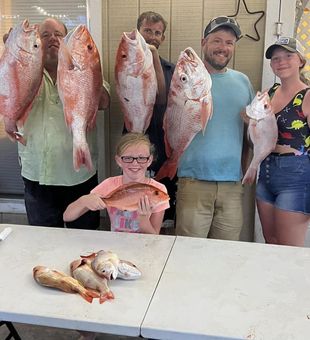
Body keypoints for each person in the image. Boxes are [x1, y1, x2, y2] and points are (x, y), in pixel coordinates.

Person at [3, 18, 110, 229]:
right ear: (37, 42)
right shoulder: (22, 66)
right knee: (44, 237)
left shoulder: (84, 66)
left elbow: (104, 102)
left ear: (66, 41)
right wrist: (12, 58)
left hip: (79, 174)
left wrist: (88, 73)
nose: (52, 38)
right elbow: (5, 92)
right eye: (45, 35)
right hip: (37, 173)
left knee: (84, 237)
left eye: (58, 35)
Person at [175, 16, 254, 240]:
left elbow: (249, 136)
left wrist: (253, 127)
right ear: (204, 42)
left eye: (229, 43)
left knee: (226, 254)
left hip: (231, 183)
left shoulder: (243, 82)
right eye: (217, 41)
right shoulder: (185, 79)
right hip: (193, 181)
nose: (223, 48)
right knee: (189, 251)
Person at [256, 37, 310, 247]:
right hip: (266, 174)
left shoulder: (307, 96)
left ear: (301, 61)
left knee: (289, 250)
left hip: (296, 179)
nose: (281, 61)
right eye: (276, 58)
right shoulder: (268, 94)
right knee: (271, 242)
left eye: (288, 56)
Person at [125, 11, 177, 228]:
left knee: (161, 208)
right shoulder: (127, 60)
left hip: (162, 148)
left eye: (158, 33)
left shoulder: (171, 69)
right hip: (133, 149)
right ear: (138, 32)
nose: (153, 36)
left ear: (163, 38)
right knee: (131, 202)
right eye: (148, 31)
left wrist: (153, 57)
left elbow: (162, 98)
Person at [63, 132, 169, 234]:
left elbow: (154, 236)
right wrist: (83, 201)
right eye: (127, 158)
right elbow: (67, 216)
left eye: (141, 158)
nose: (135, 163)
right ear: (118, 160)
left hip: (144, 246)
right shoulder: (109, 185)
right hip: (115, 245)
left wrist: (143, 219)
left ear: (149, 160)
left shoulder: (159, 189)